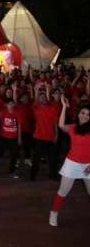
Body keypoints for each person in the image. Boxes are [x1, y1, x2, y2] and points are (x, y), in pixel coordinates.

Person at [49, 96, 90, 227]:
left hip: (88, 165)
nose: (85, 116)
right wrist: (64, 107)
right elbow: (60, 125)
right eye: (83, 113)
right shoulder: (73, 128)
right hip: (71, 164)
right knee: (63, 191)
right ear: (78, 114)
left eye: (88, 114)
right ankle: (54, 213)